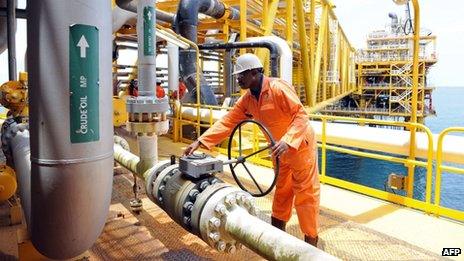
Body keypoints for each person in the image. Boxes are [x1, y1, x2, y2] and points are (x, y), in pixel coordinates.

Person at [183, 53, 320, 246]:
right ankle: (277, 239)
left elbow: (301, 116)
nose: (237, 78)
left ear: (254, 73)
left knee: (305, 197)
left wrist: (288, 140)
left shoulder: (278, 88)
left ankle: (311, 244)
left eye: (241, 75)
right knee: (282, 192)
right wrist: (200, 141)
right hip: (279, 153)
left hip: (299, 149)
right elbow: (229, 121)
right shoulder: (248, 99)